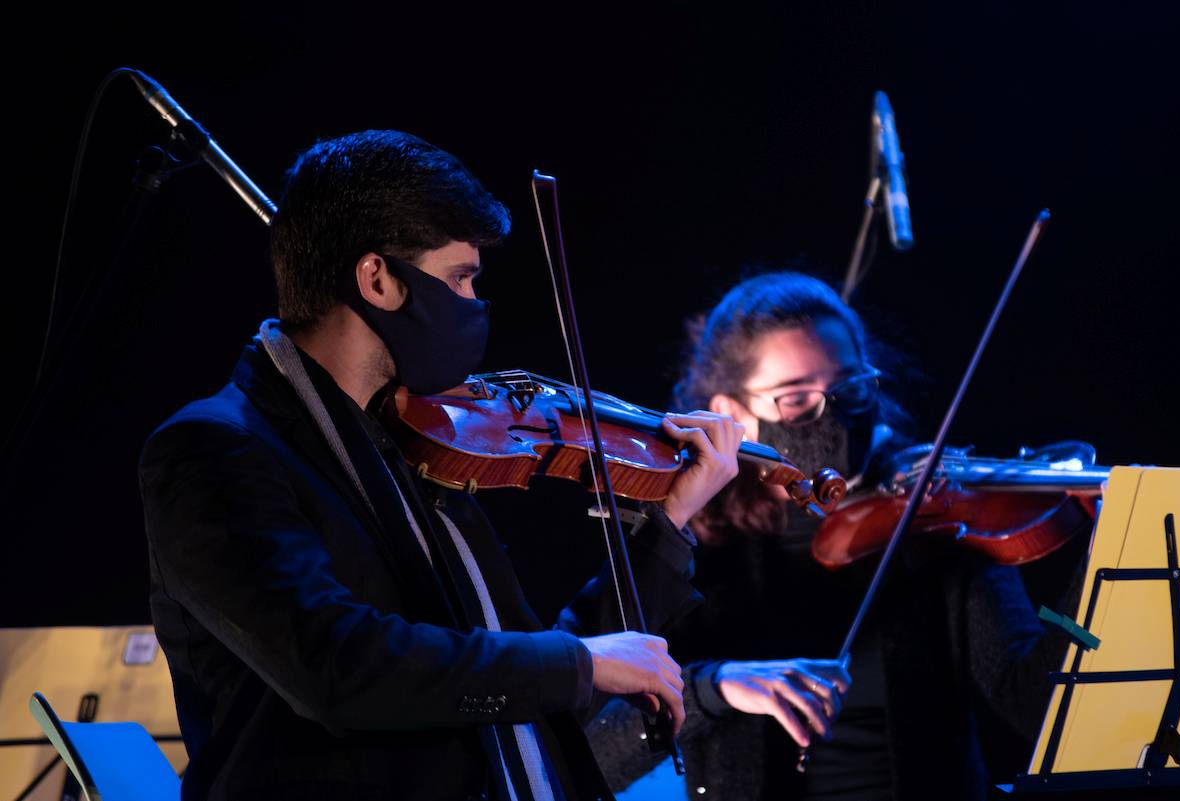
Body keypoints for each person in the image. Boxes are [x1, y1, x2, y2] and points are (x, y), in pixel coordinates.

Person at [138, 130, 746, 801]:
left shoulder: (409, 444)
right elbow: (339, 666)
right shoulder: (217, 449)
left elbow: (511, 682)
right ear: (378, 279)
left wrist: (669, 521)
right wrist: (575, 663)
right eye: (460, 278)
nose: (472, 305)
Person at [588, 272, 1085, 801]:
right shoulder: (691, 550)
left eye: (849, 388)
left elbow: (1037, 705)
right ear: (733, 415)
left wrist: (1106, 554)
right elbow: (594, 750)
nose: (835, 415)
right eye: (797, 400)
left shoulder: (933, 522)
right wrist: (715, 688)